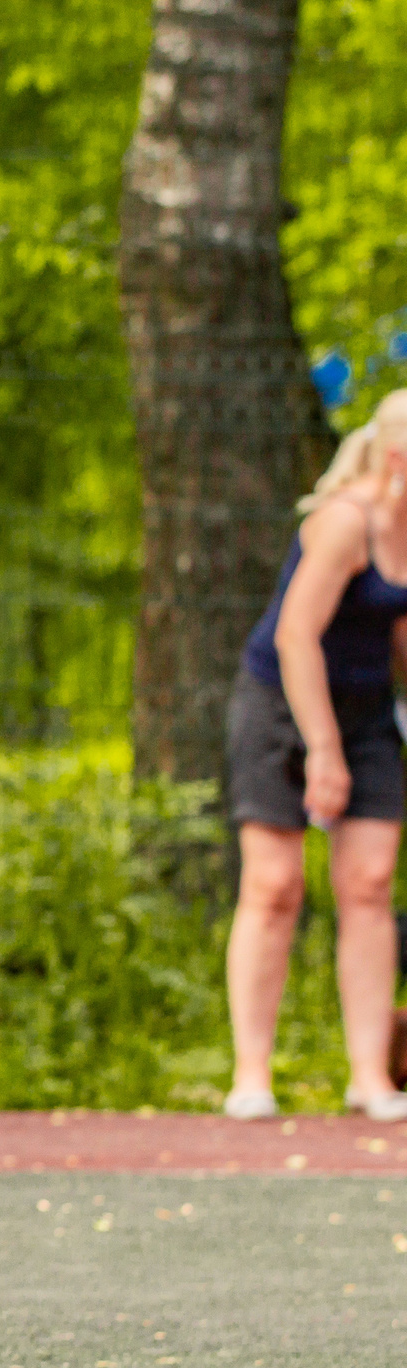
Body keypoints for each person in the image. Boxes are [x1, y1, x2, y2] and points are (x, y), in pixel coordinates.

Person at [223, 389, 407, 1121]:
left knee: (369, 882)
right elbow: (296, 636)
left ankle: (370, 1076)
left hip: (365, 708)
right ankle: (251, 1075)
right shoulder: (343, 522)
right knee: (275, 884)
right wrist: (323, 751)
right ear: (398, 459)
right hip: (282, 702)